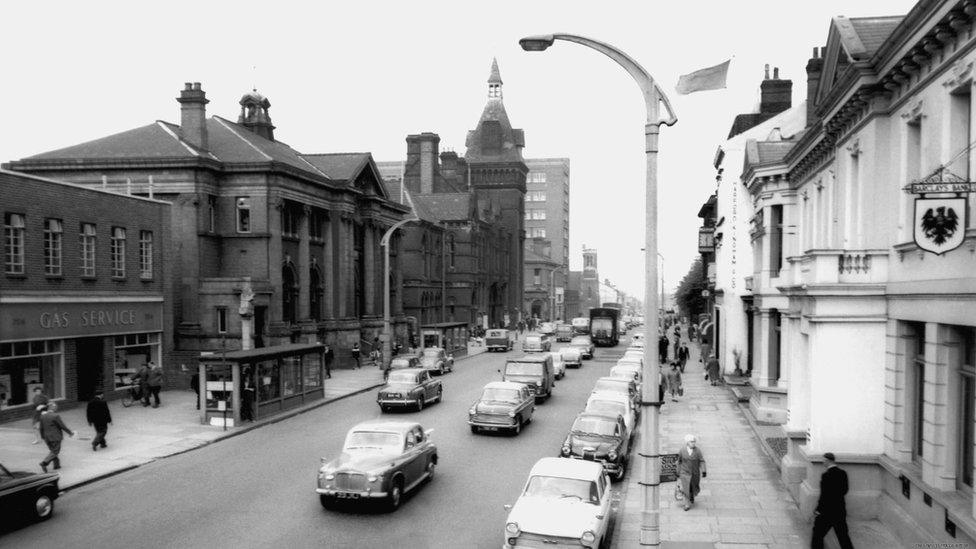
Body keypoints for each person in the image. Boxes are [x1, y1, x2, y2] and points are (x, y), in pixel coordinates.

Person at [812, 452, 854, 549]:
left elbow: (824, 495)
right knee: (843, 536)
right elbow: (845, 490)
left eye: (823, 460)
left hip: (826, 512)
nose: (823, 462)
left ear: (827, 461)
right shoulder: (843, 473)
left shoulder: (826, 476)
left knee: (817, 534)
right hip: (840, 510)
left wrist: (818, 509)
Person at [39, 402, 75, 472]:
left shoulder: (42, 416)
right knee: (55, 451)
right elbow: (62, 426)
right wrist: (70, 433)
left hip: (47, 437)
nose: (56, 408)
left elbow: (41, 428)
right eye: (55, 407)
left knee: (52, 451)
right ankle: (44, 463)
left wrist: (42, 436)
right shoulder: (55, 416)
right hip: (55, 436)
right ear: (52, 407)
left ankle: (56, 465)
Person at [677, 434, 706, 511]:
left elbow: (702, 461)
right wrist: (677, 471)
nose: (693, 443)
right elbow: (679, 461)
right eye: (691, 442)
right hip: (685, 473)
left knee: (693, 487)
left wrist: (704, 471)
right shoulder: (682, 450)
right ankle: (687, 504)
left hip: (694, 473)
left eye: (694, 442)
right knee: (686, 488)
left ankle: (692, 495)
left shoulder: (698, 451)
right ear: (687, 442)